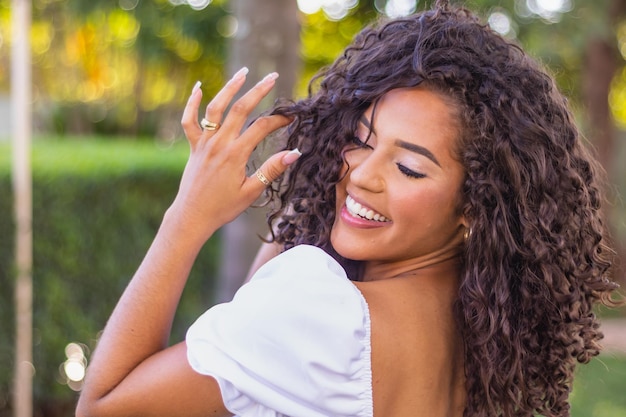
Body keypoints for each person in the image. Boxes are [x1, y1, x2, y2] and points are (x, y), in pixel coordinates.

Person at [76, 1, 621, 416]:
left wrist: (186, 217)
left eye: (409, 168)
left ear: (474, 207)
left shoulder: (322, 313)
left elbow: (102, 406)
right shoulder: (479, 323)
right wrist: (314, 187)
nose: (361, 173)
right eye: (359, 138)